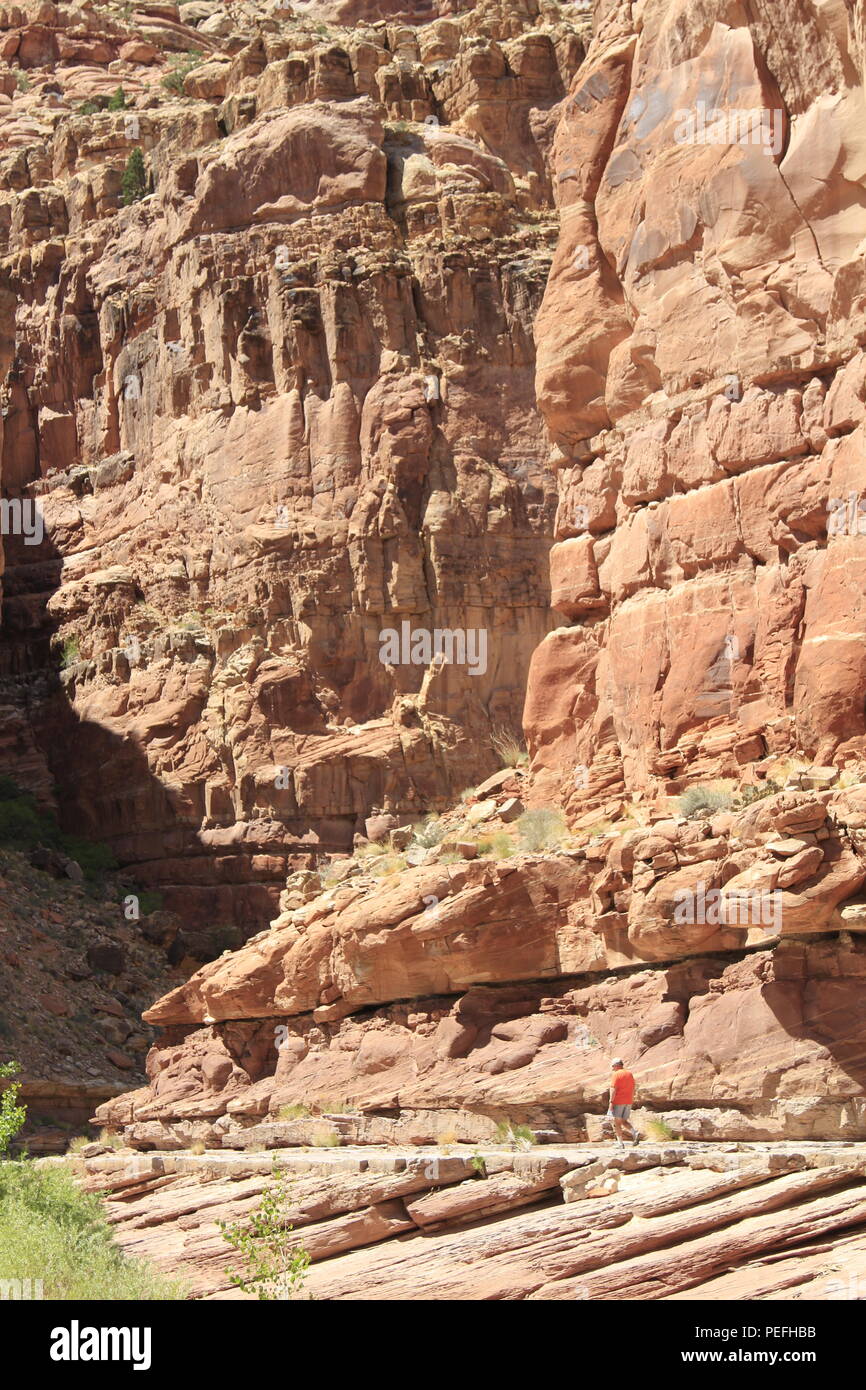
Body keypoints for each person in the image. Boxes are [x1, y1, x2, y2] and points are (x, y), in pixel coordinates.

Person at [608, 1057, 641, 1148]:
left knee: (617, 1123)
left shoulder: (616, 1074)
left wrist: (611, 1101)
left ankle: (620, 1144)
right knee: (624, 1121)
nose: (612, 1068)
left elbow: (613, 1088)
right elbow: (633, 1087)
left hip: (618, 1101)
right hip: (628, 1101)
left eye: (613, 1066)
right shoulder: (629, 1074)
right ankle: (635, 1132)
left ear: (616, 1066)